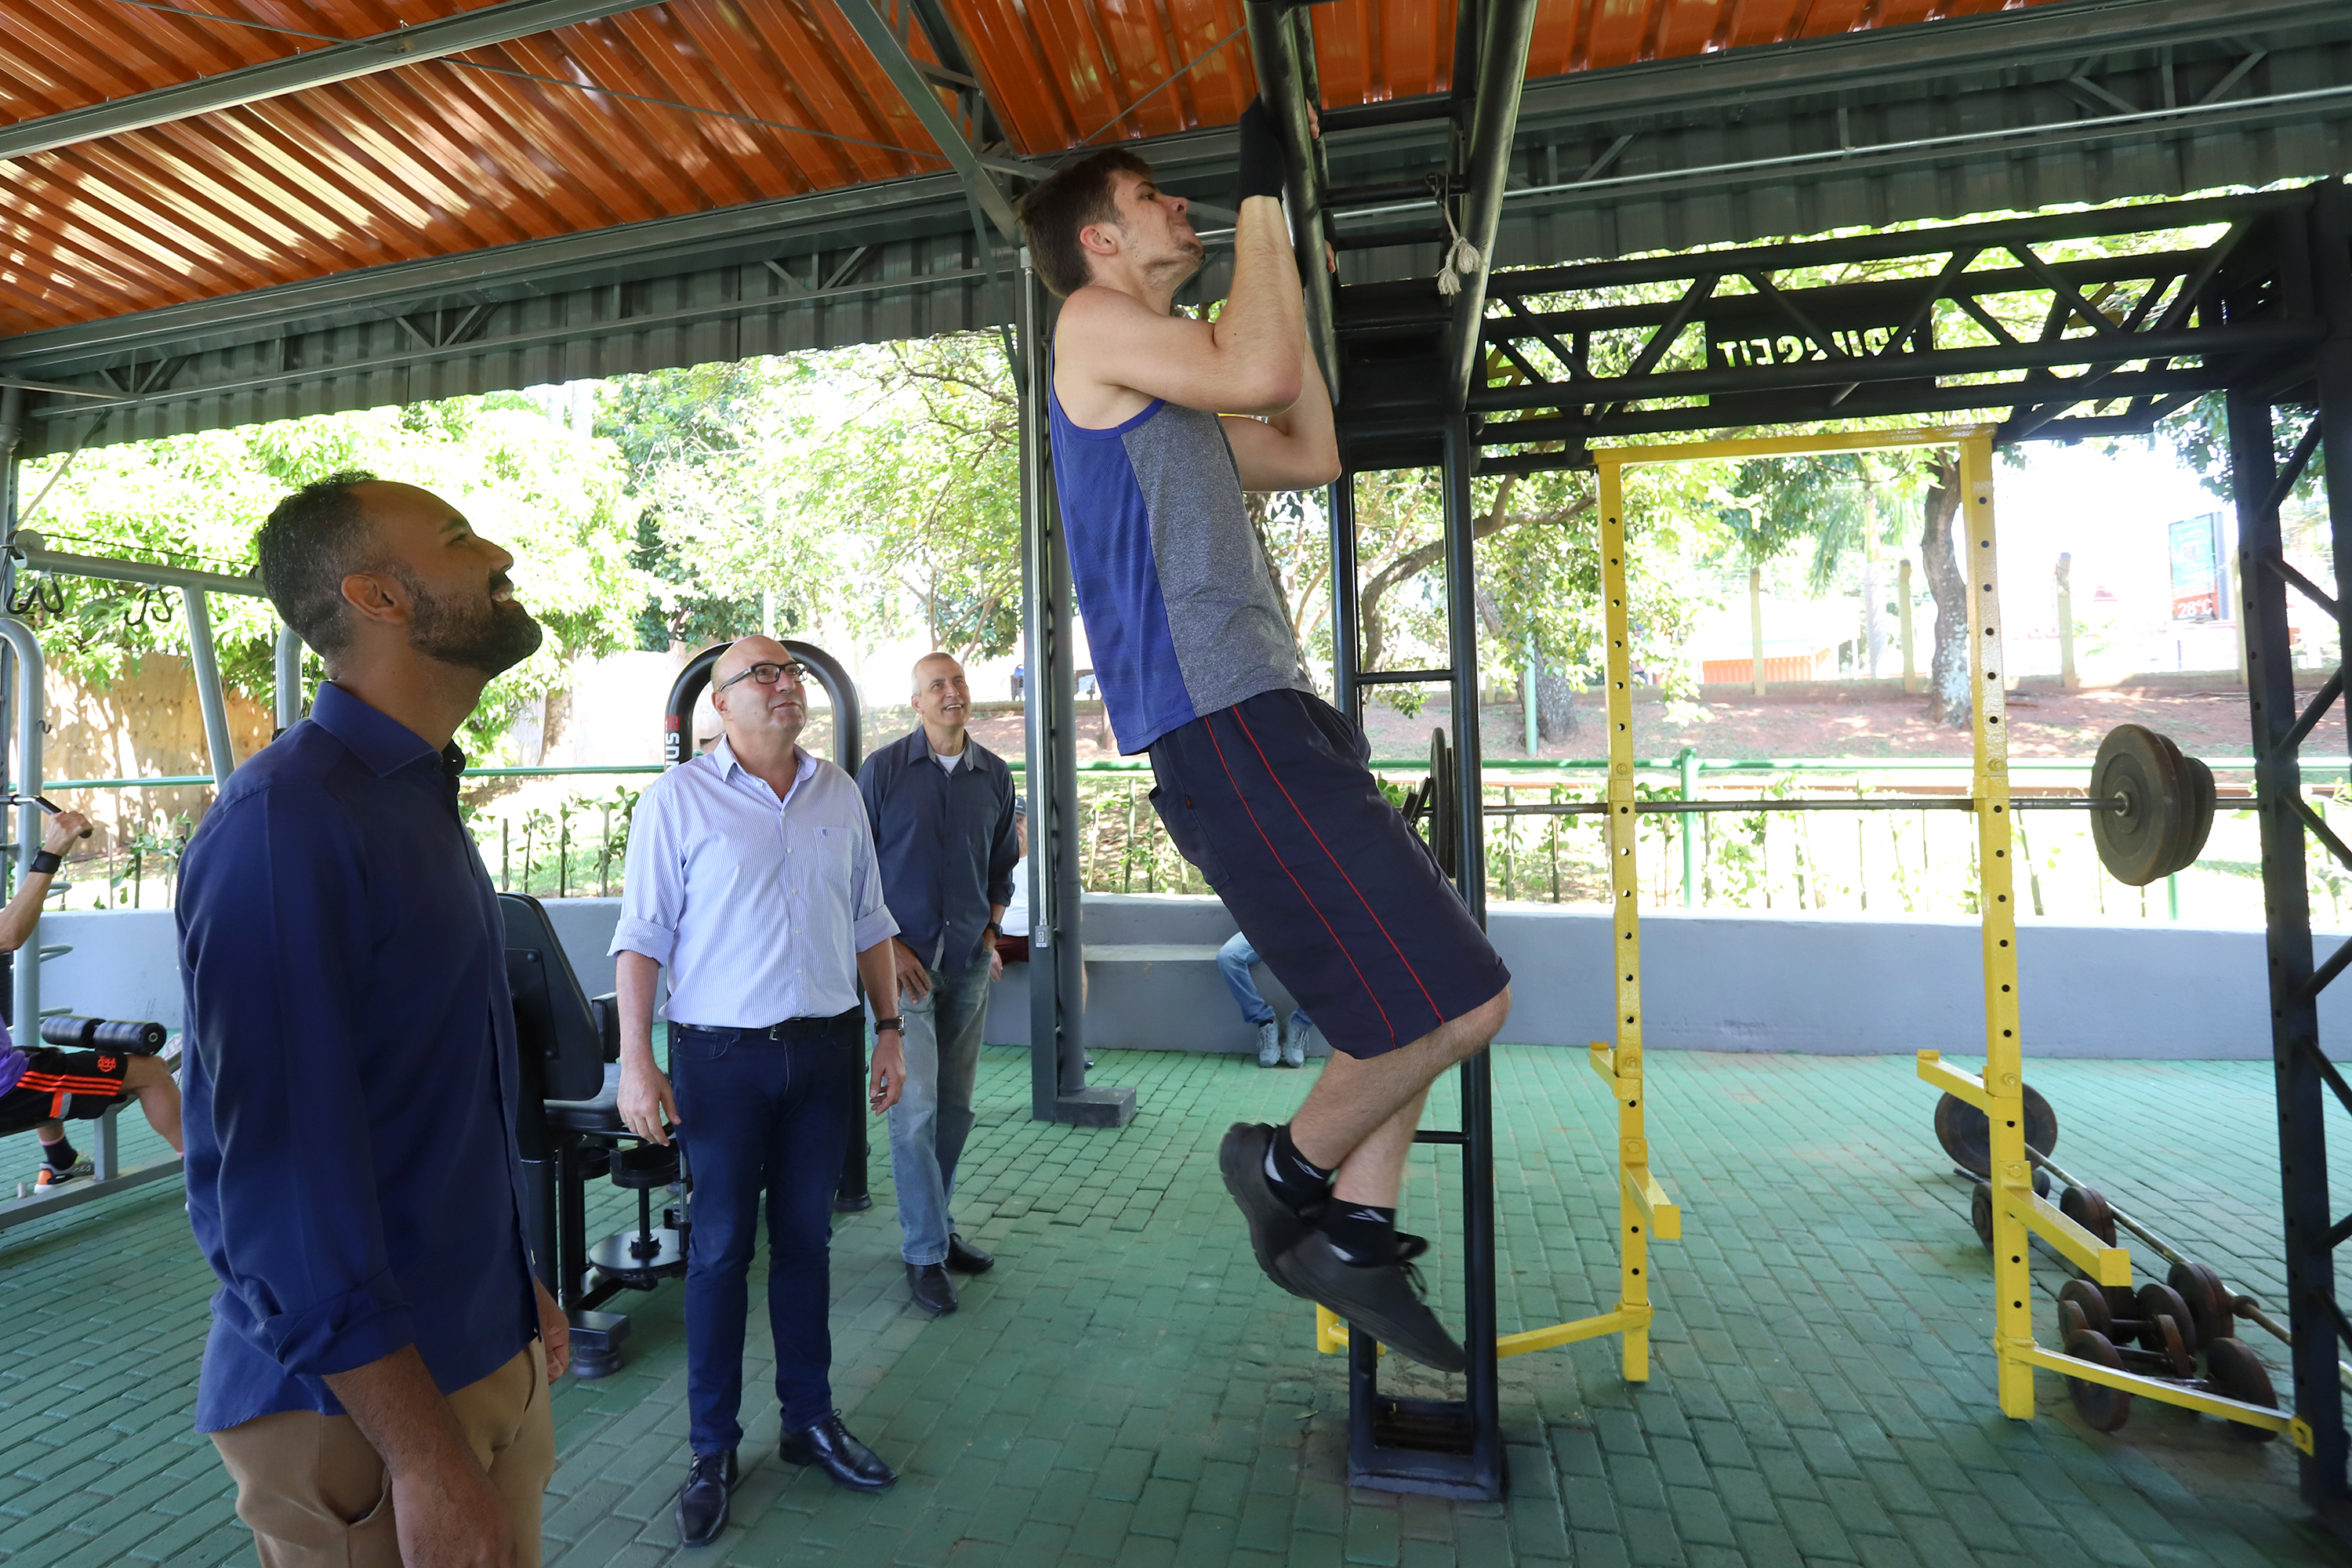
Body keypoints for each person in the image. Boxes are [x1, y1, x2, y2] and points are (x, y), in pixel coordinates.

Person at [1013, 103, 1513, 1373]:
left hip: (1267, 708)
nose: (1178, 209)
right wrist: (1261, 209)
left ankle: (1353, 1227)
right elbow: (1263, 373)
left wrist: (1279, 255)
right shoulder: (1086, 324)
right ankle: (1283, 1172)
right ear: (1100, 239)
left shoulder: (1164, 394)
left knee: (1404, 998)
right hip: (1219, 720)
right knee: (1462, 1001)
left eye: (1194, 198)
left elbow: (1309, 444)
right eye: (1156, 198)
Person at [179, 471, 569, 1568]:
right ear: (378, 597)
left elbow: (425, 1096)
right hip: (357, 1412)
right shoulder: (286, 824)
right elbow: (280, 1190)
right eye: (456, 539)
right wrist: (429, 1461)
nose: (497, 552)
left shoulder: (410, 791)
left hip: (471, 1353)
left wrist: (512, 1280)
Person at [612, 637, 909, 1548]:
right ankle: (711, 1450)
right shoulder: (675, 801)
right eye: (763, 675)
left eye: (793, 673)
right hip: (720, 1059)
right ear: (719, 704)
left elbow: (870, 919)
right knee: (718, 1251)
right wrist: (637, 1057)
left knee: (808, 1243)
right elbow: (644, 935)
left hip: (824, 1051)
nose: (786, 686)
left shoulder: (839, 792)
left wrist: (889, 1027)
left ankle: (808, 1420)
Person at [856, 653, 1018, 1316]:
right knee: (915, 1108)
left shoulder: (996, 775)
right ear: (916, 702)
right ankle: (924, 1252)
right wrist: (888, 945)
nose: (951, 693)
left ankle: (939, 1226)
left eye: (957, 683)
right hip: (905, 971)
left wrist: (991, 932)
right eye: (936, 686)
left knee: (954, 1109)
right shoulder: (885, 772)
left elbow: (1003, 861)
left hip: (969, 964)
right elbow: (854, 867)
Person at [0, 806, 186, 1184]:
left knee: (37, 1056)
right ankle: (212, 1176)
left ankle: (61, 1163)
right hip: (7, 1091)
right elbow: (8, 935)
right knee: (151, 1071)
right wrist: (51, 851)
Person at [1218, 931, 1309, 1070]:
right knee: (1227, 956)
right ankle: (1265, 1020)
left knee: (1340, 960)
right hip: (1266, 928)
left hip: (1310, 932)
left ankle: (1301, 1022)